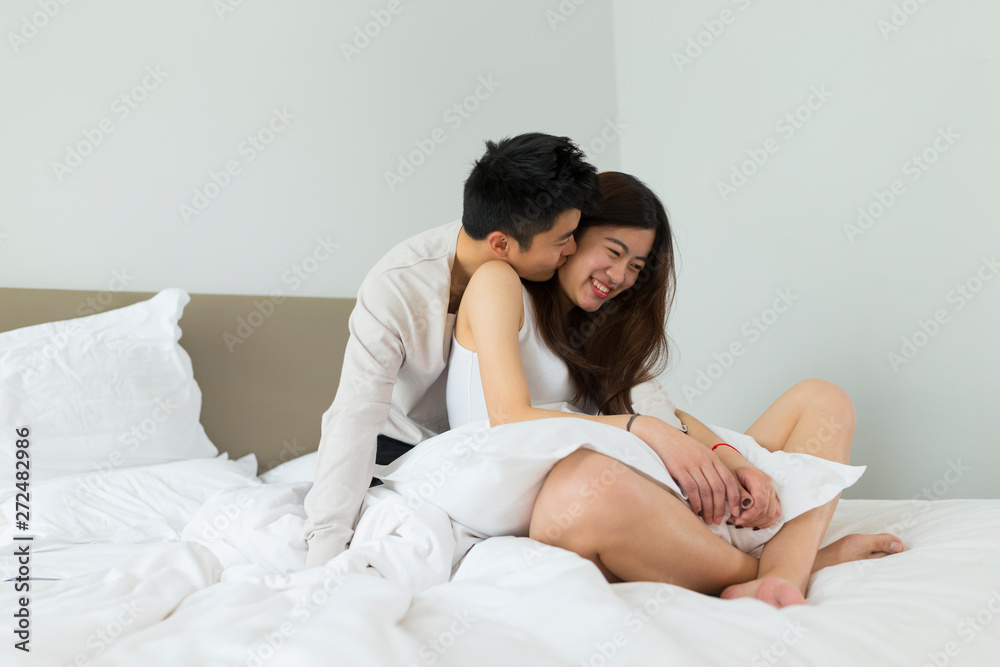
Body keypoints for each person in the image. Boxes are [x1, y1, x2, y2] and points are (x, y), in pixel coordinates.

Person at [442, 171, 905, 607]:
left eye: (636, 265)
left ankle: (780, 572)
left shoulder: (595, 327)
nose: (621, 276)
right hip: (570, 500)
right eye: (613, 250)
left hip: (646, 489)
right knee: (584, 485)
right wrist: (645, 430)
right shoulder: (499, 283)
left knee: (821, 400)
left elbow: (664, 412)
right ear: (570, 237)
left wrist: (729, 457)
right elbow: (508, 417)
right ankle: (793, 565)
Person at [302, 132, 613, 568]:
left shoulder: (542, 277)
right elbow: (354, 414)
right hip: (402, 449)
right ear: (502, 244)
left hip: (492, 452)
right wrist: (324, 548)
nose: (573, 249)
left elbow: (626, 367)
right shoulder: (395, 289)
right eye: (562, 239)